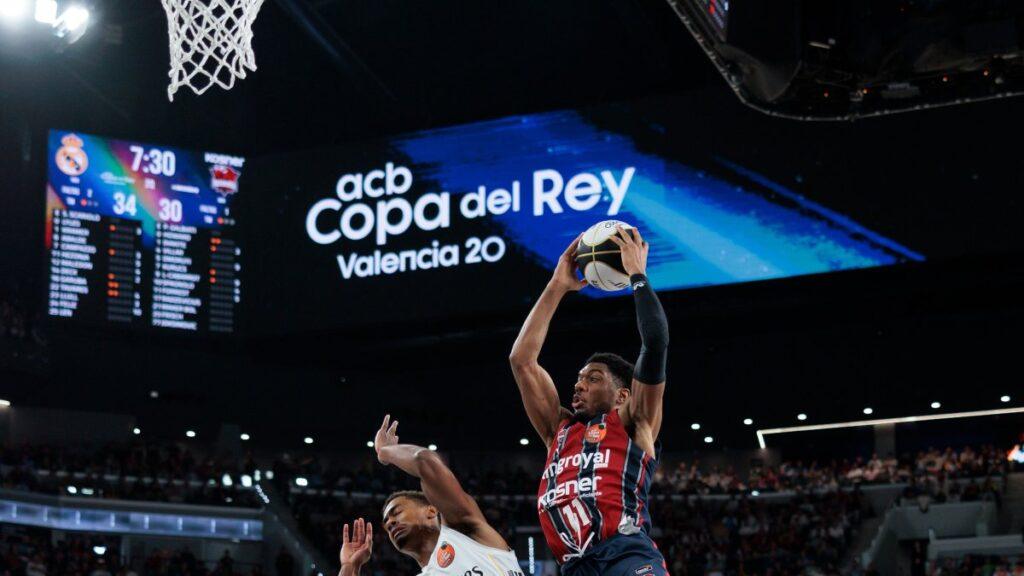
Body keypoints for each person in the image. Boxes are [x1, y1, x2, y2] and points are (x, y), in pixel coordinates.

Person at [509, 226, 670, 575]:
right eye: (579, 379)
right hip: (574, 567)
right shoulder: (558, 430)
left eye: (593, 379)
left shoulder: (634, 421)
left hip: (626, 556)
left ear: (622, 395)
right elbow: (521, 361)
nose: (578, 386)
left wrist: (637, 275)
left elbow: (655, 342)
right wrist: (556, 287)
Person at [339, 416, 524, 576]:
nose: (390, 523)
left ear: (431, 510)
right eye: (387, 523)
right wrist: (350, 565)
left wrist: (385, 452)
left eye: (397, 512)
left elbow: (425, 461)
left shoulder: (467, 531)